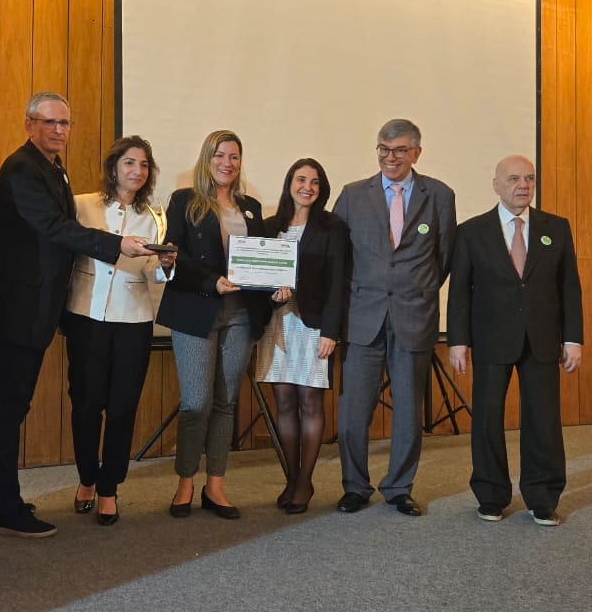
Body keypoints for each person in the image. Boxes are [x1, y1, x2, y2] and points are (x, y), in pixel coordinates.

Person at [0, 92, 153, 539]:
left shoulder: (50, 167)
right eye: (49, 122)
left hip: (38, 308)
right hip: (20, 308)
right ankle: (4, 510)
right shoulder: (21, 168)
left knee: (8, 405)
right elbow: (52, 228)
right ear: (29, 123)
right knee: (9, 404)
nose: (59, 130)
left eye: (65, 123)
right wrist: (114, 245)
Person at [446, 154, 583, 526]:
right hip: (490, 339)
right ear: (496, 185)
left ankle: (543, 496)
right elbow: (459, 291)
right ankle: (491, 494)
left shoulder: (556, 227)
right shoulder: (472, 231)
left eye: (529, 178)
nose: (523, 185)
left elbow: (569, 286)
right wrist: (457, 340)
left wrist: (573, 339)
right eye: (513, 179)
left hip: (542, 339)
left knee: (543, 420)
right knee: (487, 419)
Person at [332, 118, 455, 516]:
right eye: (383, 149)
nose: (390, 157)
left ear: (416, 152)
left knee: (407, 410)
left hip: (413, 317)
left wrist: (415, 289)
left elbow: (445, 256)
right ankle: (354, 485)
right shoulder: (352, 195)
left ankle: (399, 487)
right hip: (362, 318)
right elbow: (339, 259)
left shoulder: (439, 195)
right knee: (353, 411)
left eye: (399, 150)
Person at [156, 130, 271, 520]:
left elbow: (263, 259)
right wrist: (210, 281)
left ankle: (215, 485)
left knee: (225, 402)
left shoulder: (251, 207)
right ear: (207, 160)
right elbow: (174, 251)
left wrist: (279, 280)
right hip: (195, 309)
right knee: (196, 402)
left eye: (235, 157)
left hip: (241, 313)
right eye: (220, 155)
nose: (228, 163)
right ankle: (186, 480)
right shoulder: (185, 201)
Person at [63, 136, 175, 527]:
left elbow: (154, 274)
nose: (137, 172)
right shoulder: (81, 204)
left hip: (134, 320)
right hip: (85, 316)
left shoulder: (155, 215)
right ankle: (86, 479)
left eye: (144, 165)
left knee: (123, 407)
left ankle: (109, 487)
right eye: (130, 163)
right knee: (86, 404)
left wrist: (166, 264)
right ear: (114, 167)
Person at [255, 158, 348, 514]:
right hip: (276, 325)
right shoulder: (268, 226)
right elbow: (256, 275)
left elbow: (337, 282)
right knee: (285, 403)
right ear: (289, 183)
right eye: (300, 179)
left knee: (310, 401)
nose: (307, 186)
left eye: (314, 181)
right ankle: (291, 477)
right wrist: (270, 294)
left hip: (313, 327)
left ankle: (305, 481)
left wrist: (331, 332)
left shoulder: (332, 227)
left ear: (321, 188)